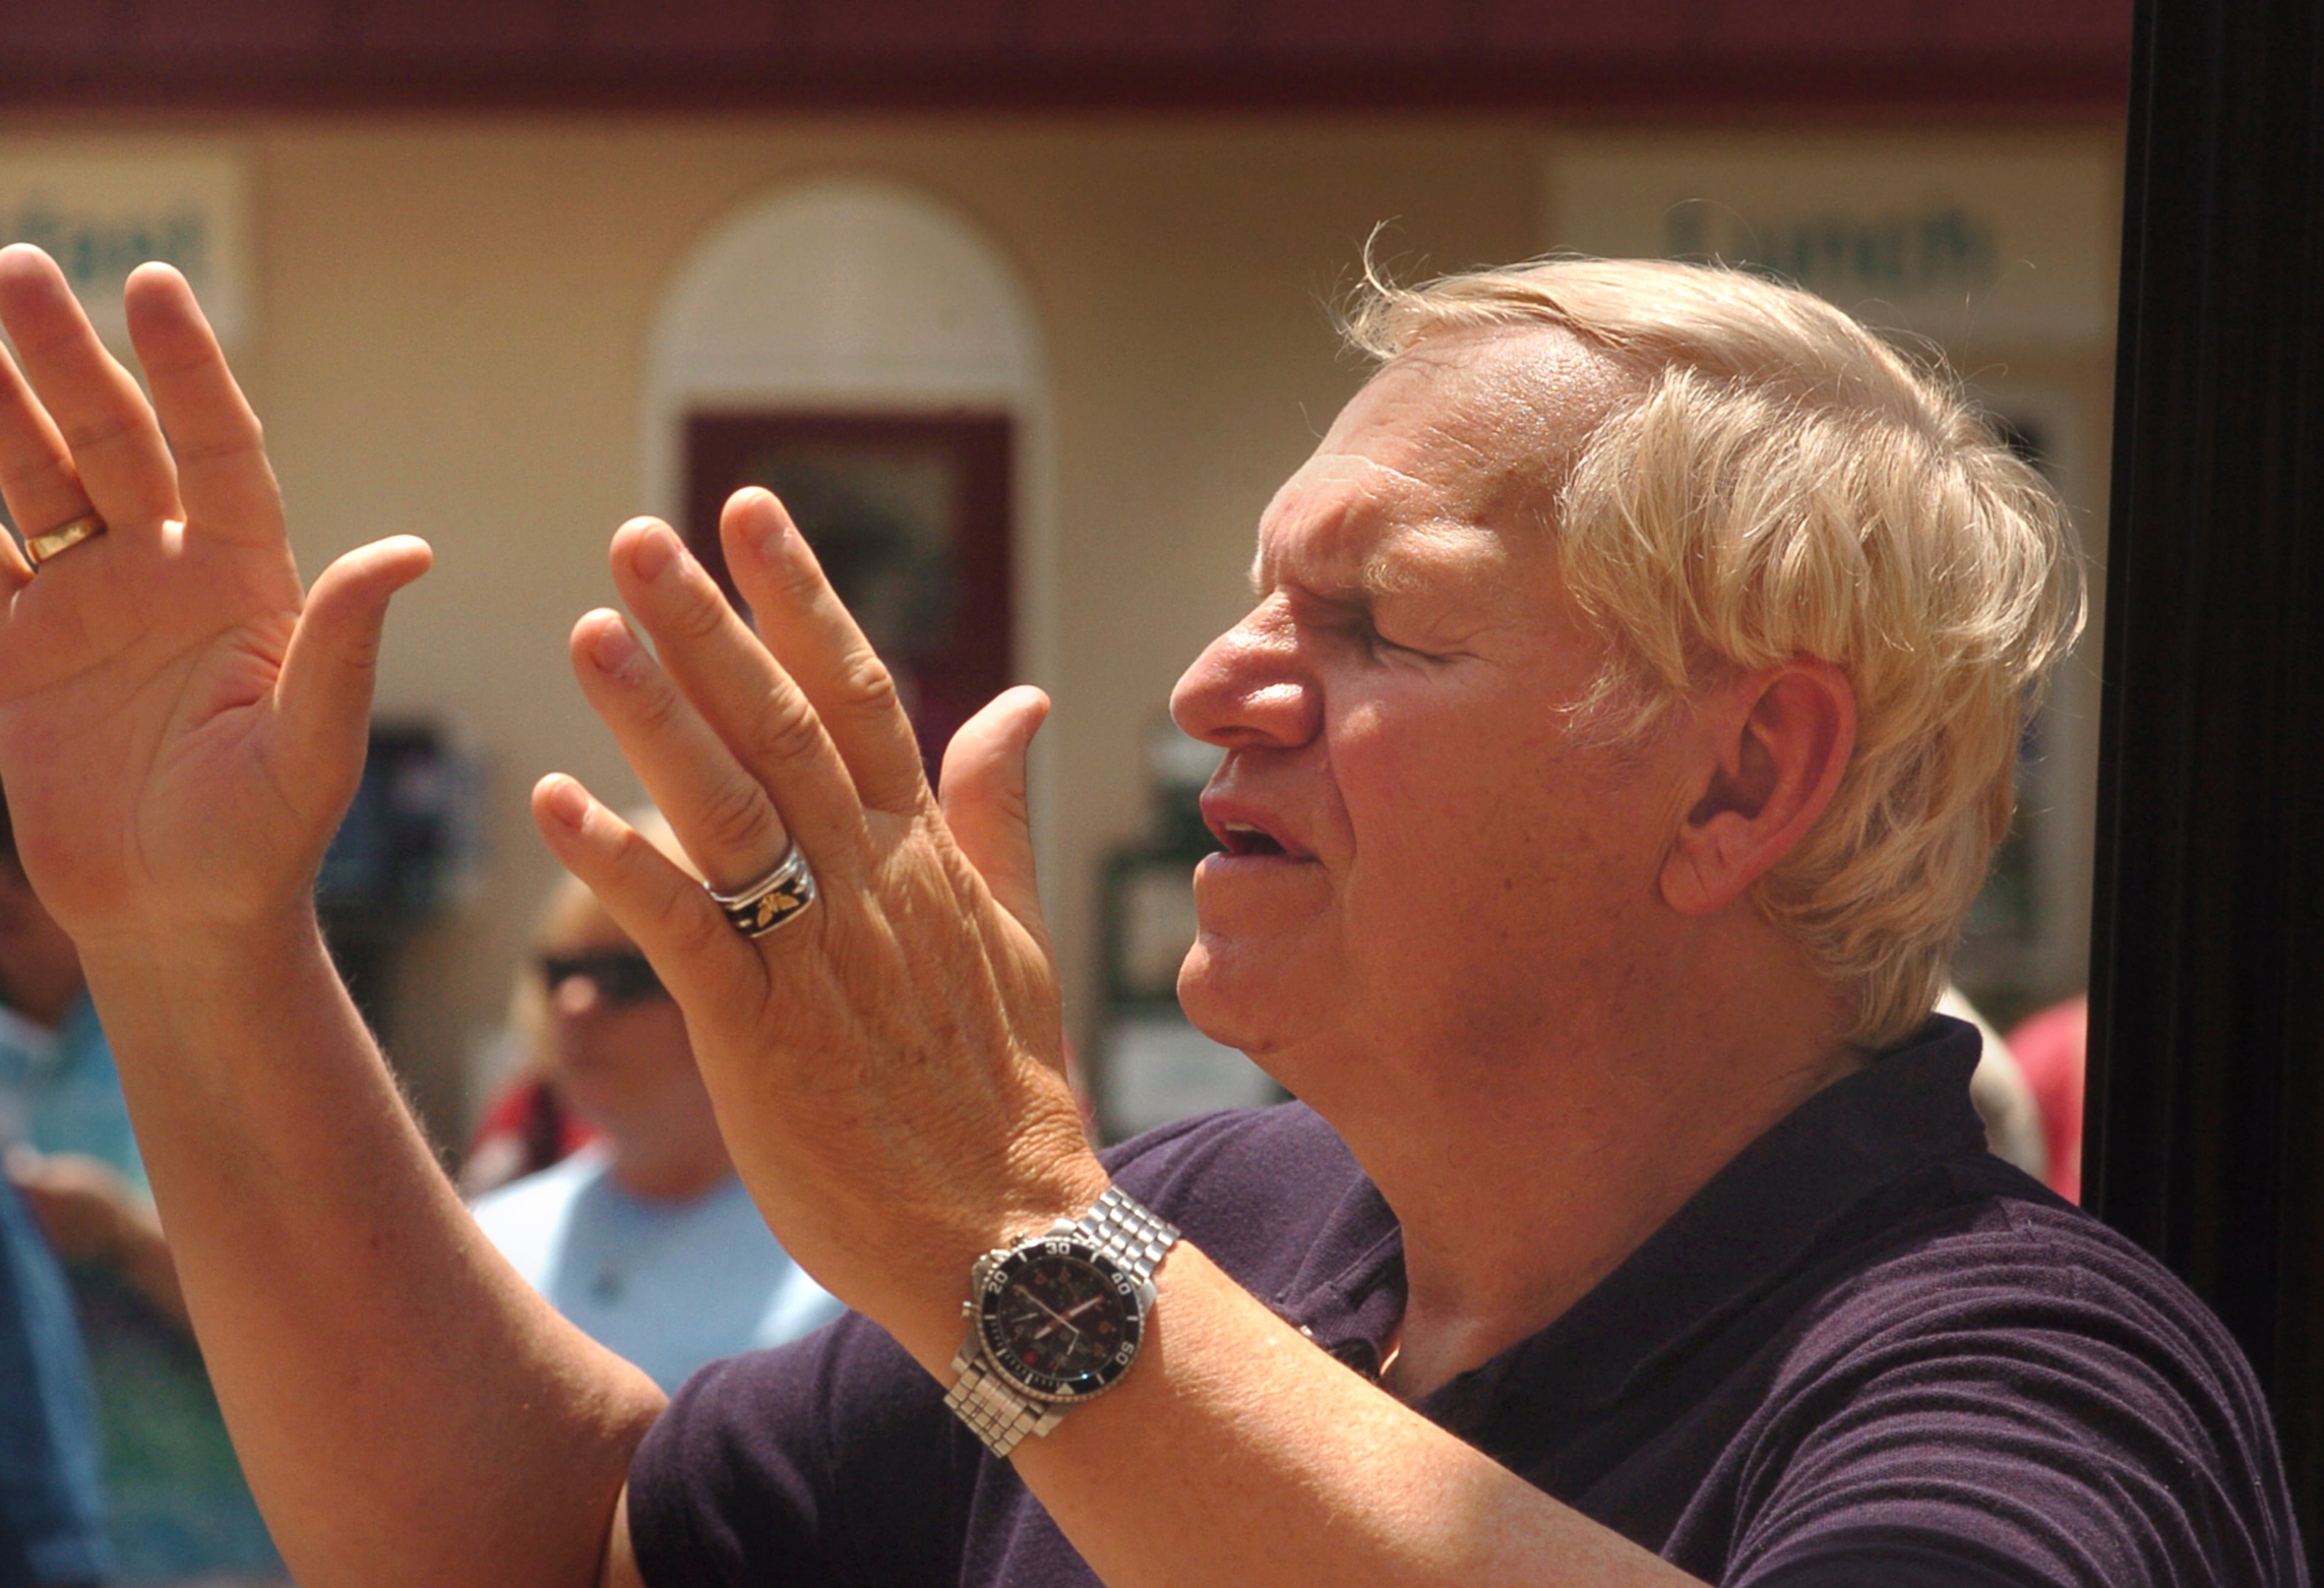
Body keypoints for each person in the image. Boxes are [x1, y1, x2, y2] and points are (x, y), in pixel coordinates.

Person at [0, 238, 2302, 1588]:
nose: (1214, 683)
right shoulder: (1231, 1229)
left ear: (1742, 772)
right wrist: (194, 937)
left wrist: (999, 1239)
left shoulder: (2025, 1372)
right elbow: (527, 1547)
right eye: (1253, 593)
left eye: (1375, 620)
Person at [0, 792, 283, 1584]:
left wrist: (119, 1238)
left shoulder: (206, 1049)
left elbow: (319, 1320)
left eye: (22, 855)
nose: (6, 887)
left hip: (225, 1550)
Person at [467, 819, 842, 1391]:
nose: (575, 1004)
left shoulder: (847, 1269)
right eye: (561, 973)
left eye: (626, 975)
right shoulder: (486, 1243)